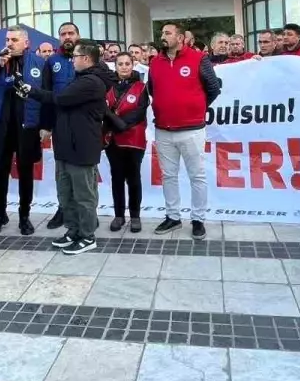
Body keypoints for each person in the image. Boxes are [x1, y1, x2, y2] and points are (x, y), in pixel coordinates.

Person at [23, 40, 114, 253]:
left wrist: (32, 91)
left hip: (81, 147)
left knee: (83, 195)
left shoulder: (92, 81)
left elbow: (61, 98)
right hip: (65, 145)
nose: (71, 60)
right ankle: (73, 230)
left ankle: (87, 235)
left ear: (86, 59)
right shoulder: (79, 78)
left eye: (75, 56)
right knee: (66, 194)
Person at [148, 23, 222, 238]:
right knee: (168, 176)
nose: (163, 36)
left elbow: (213, 88)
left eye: (168, 33)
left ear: (180, 37)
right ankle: (172, 217)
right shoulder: (155, 62)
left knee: (197, 176)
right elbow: (153, 90)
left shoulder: (198, 58)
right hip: (163, 130)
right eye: (162, 33)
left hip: (192, 130)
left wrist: (196, 107)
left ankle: (198, 219)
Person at [0, 27, 48, 237]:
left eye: (14, 39)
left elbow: (46, 96)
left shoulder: (39, 63)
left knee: (26, 170)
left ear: (26, 43)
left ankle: (24, 215)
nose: (9, 43)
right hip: (1, 123)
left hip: (27, 124)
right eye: (7, 39)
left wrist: (45, 125)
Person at [104, 52, 150, 232]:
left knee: (134, 179)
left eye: (127, 64)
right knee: (116, 178)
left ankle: (135, 216)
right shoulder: (107, 86)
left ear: (133, 65)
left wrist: (120, 123)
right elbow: (103, 109)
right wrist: (114, 123)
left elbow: (140, 111)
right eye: (120, 64)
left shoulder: (141, 87)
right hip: (113, 140)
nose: (124, 67)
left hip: (134, 139)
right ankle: (119, 216)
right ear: (115, 66)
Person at [44, 22, 82, 231]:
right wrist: (46, 125)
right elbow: (46, 94)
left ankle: (85, 211)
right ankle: (63, 208)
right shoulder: (52, 61)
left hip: (84, 124)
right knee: (63, 171)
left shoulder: (88, 59)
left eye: (71, 33)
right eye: (63, 34)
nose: (67, 37)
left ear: (78, 35)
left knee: (84, 171)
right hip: (60, 125)